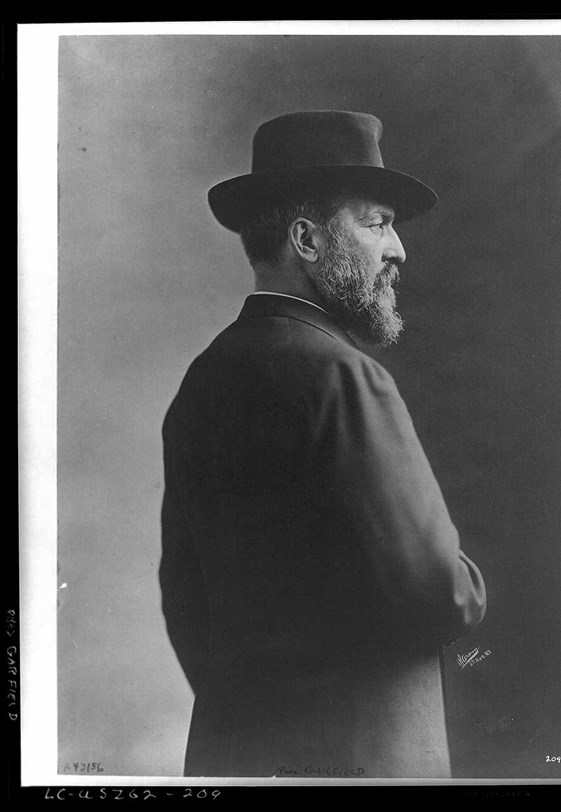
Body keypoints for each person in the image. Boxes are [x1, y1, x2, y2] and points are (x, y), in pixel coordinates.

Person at [159, 111, 486, 779]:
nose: (398, 249)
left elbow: (183, 599)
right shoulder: (341, 375)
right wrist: (471, 584)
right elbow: (438, 593)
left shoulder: (206, 376)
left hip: (237, 762)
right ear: (306, 239)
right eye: (376, 222)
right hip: (363, 762)